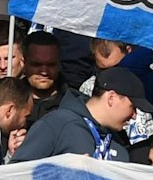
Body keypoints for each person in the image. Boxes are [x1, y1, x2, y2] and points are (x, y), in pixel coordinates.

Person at [11, 65, 142, 163]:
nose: (134, 116)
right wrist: (63, 174)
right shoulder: (57, 124)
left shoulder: (119, 146)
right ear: (111, 98)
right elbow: (17, 175)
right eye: (133, 107)